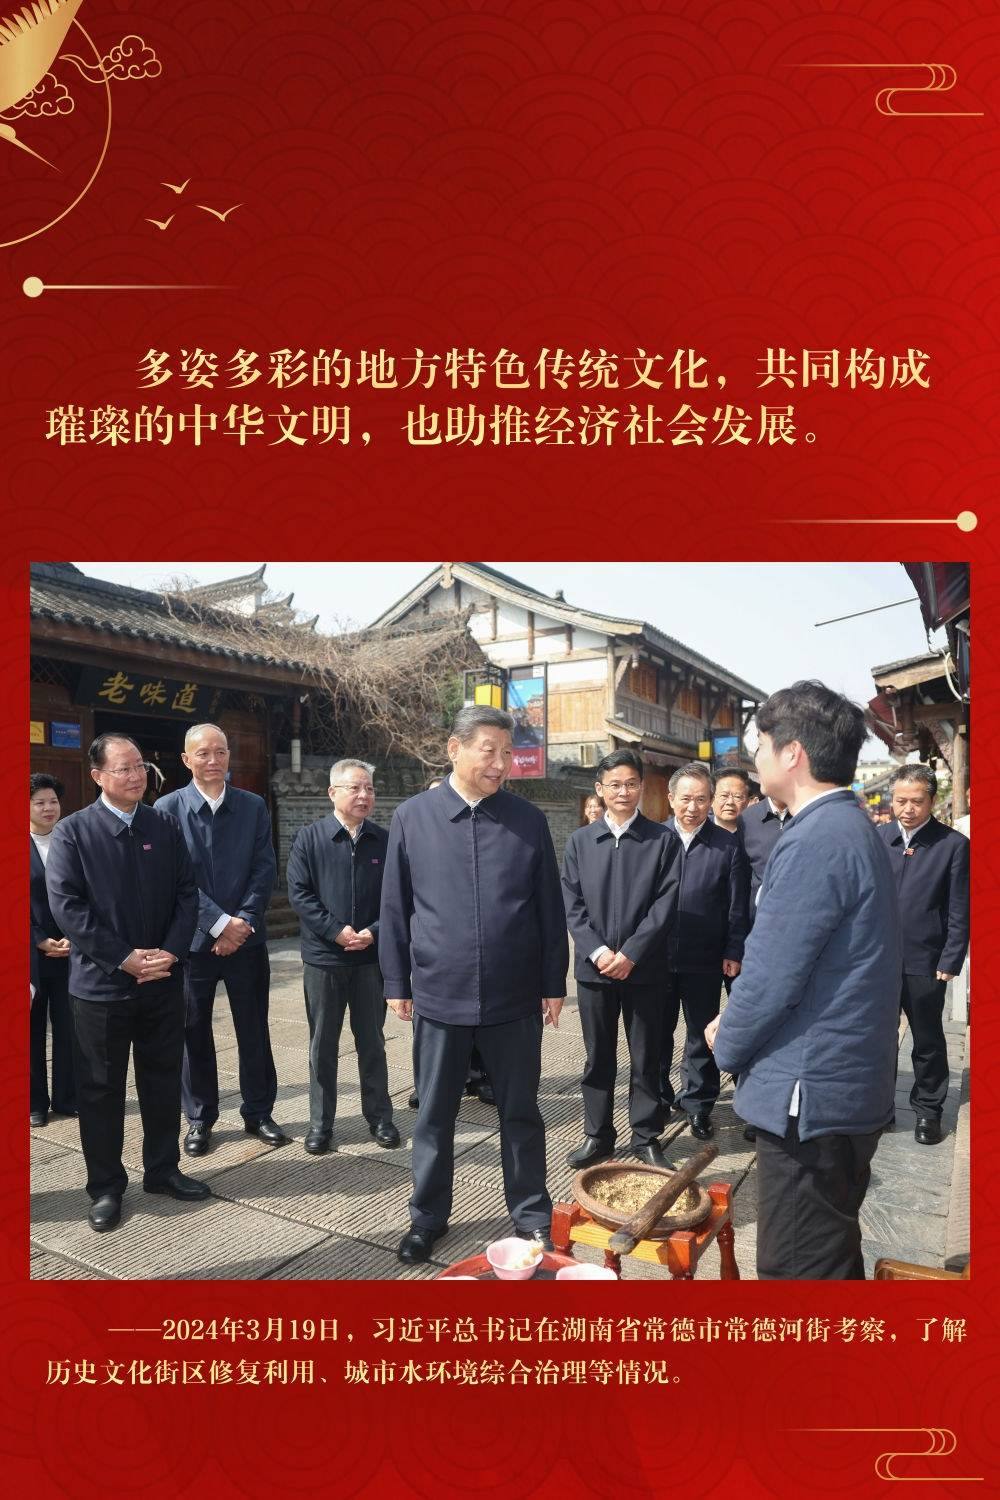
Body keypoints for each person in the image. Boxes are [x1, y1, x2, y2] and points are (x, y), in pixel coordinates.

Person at [708, 681, 900, 1279]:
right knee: (830, 1256)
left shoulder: (817, 838)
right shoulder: (848, 826)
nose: (755, 758)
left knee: (796, 1271)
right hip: (843, 1082)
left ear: (792, 753)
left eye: (761, 744)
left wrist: (726, 1041)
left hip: (812, 1092)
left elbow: (771, 975)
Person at [380, 706, 568, 1264]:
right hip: (440, 992)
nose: (501, 764)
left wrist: (552, 980)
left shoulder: (526, 820)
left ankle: (532, 1215)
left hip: (514, 995)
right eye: (489, 750)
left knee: (521, 1112)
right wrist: (397, 980)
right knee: (434, 1115)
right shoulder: (413, 817)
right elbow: (395, 907)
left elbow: (548, 908)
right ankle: (427, 1217)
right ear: (454, 748)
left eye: (508, 753)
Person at [45, 734, 208, 1232]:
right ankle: (105, 1186)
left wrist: (172, 952)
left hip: (161, 980)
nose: (136, 776)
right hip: (101, 988)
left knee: (161, 1079)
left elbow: (187, 893)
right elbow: (67, 907)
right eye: (124, 768)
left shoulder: (163, 824)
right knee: (100, 1090)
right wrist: (123, 959)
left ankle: (162, 1170)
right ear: (98, 776)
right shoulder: (74, 832)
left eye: (140, 766)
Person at [157, 724, 286, 1156]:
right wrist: (217, 924)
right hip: (192, 944)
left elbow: (265, 868)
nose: (213, 760)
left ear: (229, 756)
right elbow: (175, 879)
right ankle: (199, 1118)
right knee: (193, 1031)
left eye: (221, 752)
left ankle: (259, 1111)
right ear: (186, 760)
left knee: (254, 1027)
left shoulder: (252, 806)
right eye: (203, 753)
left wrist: (242, 922)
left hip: (247, 941)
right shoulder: (167, 809)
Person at [562, 750, 680, 1170]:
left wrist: (631, 952)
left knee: (646, 1056)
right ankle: (598, 1136)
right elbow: (572, 904)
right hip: (594, 971)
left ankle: (646, 1136)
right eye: (614, 784)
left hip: (645, 968)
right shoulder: (580, 842)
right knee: (598, 1057)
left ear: (642, 788)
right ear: (600, 789)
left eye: (631, 784)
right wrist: (599, 951)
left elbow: (666, 903)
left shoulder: (661, 840)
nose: (623, 792)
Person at [287, 758, 400, 1155]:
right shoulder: (310, 838)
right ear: (332, 792)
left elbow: (397, 897)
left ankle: (380, 1117)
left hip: (369, 960)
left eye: (369, 788)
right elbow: (300, 894)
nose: (364, 795)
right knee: (322, 1045)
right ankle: (321, 1124)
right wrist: (335, 931)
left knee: (372, 1041)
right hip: (324, 960)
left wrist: (374, 932)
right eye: (355, 788)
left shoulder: (385, 841)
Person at [878, 764, 969, 1145]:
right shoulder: (878, 838)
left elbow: (959, 907)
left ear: (931, 800)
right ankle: (879, 1107)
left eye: (916, 801)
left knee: (927, 1039)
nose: (908, 809)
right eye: (900, 801)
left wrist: (951, 958)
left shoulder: (952, 844)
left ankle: (928, 1111)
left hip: (925, 959)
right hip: (877, 960)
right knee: (877, 1038)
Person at [661, 762, 750, 1139]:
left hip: (705, 955)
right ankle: (658, 1098)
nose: (693, 807)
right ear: (671, 799)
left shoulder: (727, 845)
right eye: (686, 799)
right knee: (656, 1032)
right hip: (656, 957)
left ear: (710, 801)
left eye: (701, 799)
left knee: (702, 1033)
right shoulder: (654, 839)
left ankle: (698, 1105)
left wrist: (733, 948)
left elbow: (736, 905)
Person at [29, 773, 75, 1126]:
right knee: (29, 1031)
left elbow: (87, 894)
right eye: (39, 802)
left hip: (70, 951)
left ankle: (67, 1097)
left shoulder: (70, 841)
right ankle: (33, 1102)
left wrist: (75, 936)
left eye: (53, 801)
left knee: (69, 1028)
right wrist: (37, 937)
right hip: (29, 955)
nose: (48, 808)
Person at [711, 768, 751, 834]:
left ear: (747, 802)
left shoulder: (756, 832)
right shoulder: (698, 828)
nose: (730, 802)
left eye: (737, 797)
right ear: (712, 800)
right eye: (724, 796)